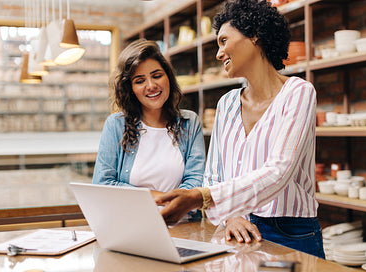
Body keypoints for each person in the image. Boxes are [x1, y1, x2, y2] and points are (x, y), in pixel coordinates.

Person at [157, 0, 325, 259]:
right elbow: (214, 175)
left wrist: (200, 198)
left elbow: (278, 172)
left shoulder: (298, 93)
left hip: (294, 232)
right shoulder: (227, 104)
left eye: (224, 41)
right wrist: (230, 215)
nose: (218, 53)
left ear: (255, 35)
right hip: (238, 230)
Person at [92, 39, 206, 204]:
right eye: (139, 81)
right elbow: (102, 184)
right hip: (133, 223)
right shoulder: (116, 124)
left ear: (168, 78)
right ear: (130, 88)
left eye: (157, 76)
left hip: (183, 224)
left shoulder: (190, 122)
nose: (151, 85)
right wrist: (160, 198)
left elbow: (196, 180)